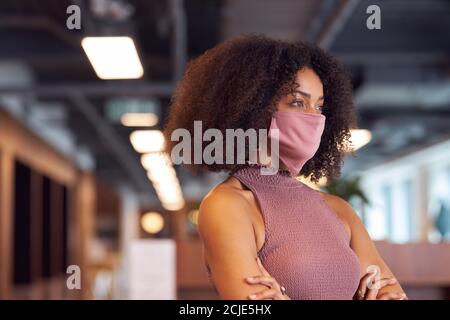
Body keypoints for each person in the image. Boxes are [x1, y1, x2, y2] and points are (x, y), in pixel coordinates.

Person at [164, 35, 407, 300]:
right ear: (253, 107)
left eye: (320, 106)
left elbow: (392, 294)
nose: (315, 118)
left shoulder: (339, 210)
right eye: (298, 102)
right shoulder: (228, 206)